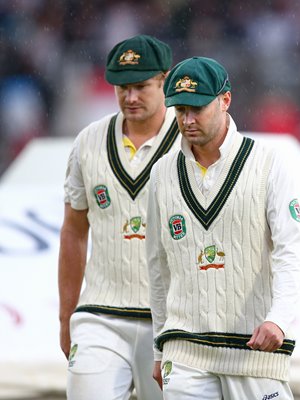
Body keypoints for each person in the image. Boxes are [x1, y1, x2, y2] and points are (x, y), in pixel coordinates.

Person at [146, 56, 300, 400]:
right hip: (185, 353)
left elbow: (290, 248)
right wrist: (160, 348)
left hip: (255, 352)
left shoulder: (268, 161)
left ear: (225, 100)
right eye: (179, 110)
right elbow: (158, 269)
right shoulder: (161, 173)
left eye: (197, 109)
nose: (187, 120)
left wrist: (279, 319)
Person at [58, 34, 177, 399]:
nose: (130, 97)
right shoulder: (88, 142)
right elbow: (74, 232)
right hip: (101, 314)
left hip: (173, 320)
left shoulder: (190, 142)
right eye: (122, 87)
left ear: (165, 80)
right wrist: (67, 317)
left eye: (141, 86)